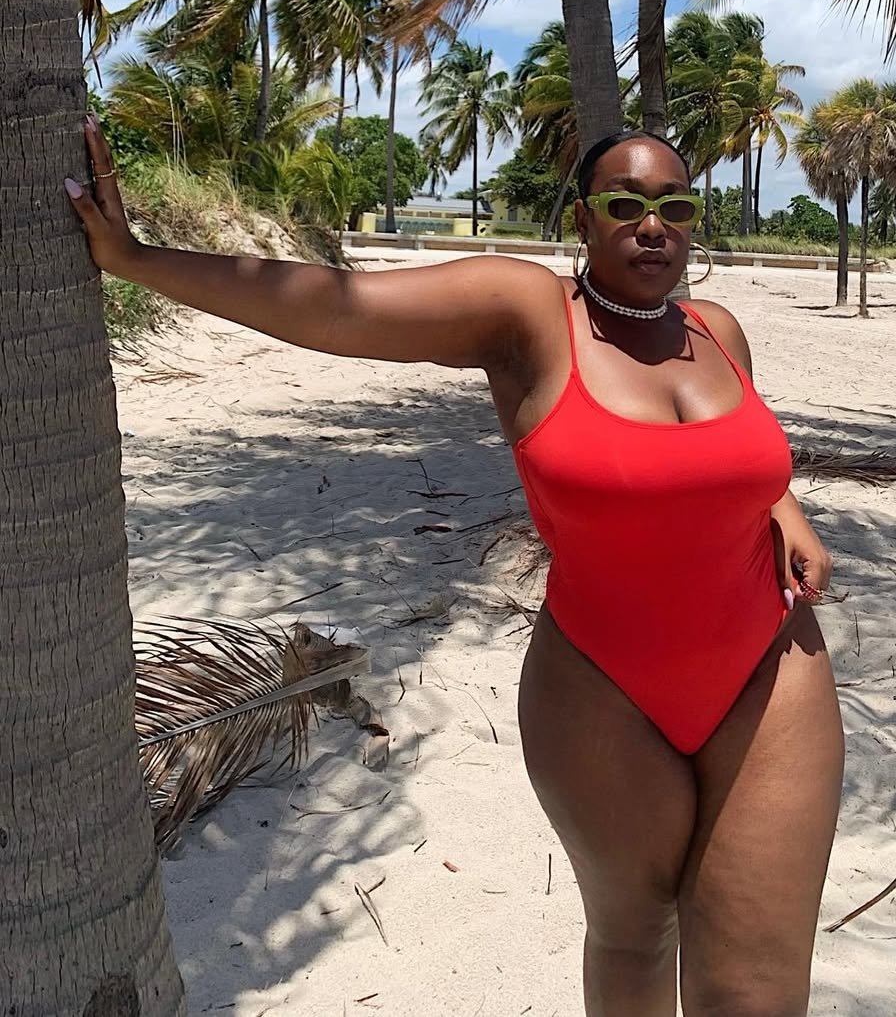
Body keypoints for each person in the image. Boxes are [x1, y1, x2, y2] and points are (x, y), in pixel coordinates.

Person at [66, 120, 844, 1017]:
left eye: (675, 206)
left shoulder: (717, 332)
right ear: (584, 222)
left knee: (756, 991)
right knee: (635, 934)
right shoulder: (527, 315)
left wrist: (786, 512)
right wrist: (137, 259)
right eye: (625, 204)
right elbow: (339, 306)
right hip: (602, 683)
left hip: (769, 665)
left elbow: (732, 460)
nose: (652, 224)